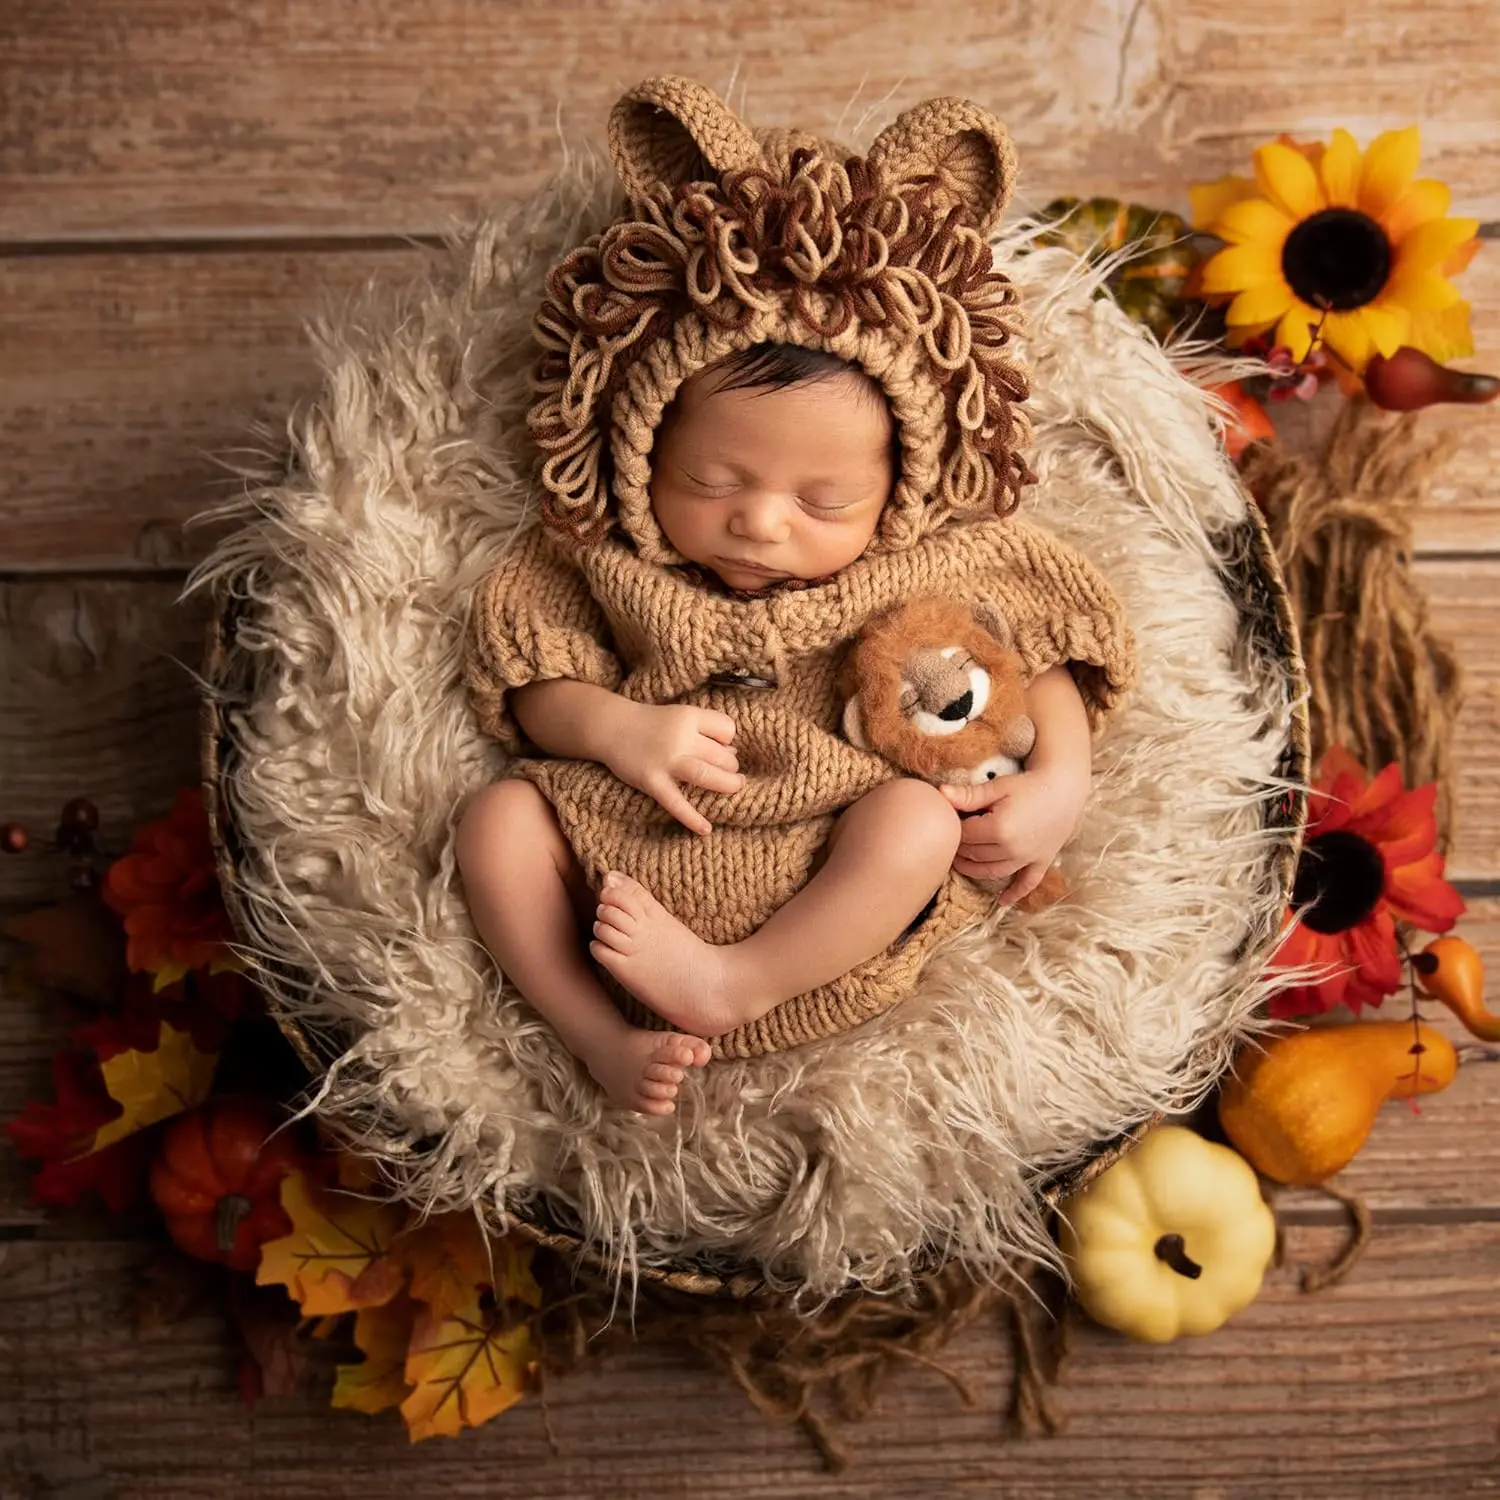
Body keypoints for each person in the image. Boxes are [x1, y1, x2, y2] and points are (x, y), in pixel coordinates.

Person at [457, 77, 1136, 1116]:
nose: (761, 525)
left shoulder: (934, 563)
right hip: (621, 850)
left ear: (901, 485)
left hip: (823, 864)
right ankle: (597, 1036)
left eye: (824, 502)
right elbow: (533, 681)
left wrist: (1060, 788)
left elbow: (1039, 668)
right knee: (498, 820)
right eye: (709, 482)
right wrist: (616, 729)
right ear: (639, 446)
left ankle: (738, 982)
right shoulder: (599, 559)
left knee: (916, 823)